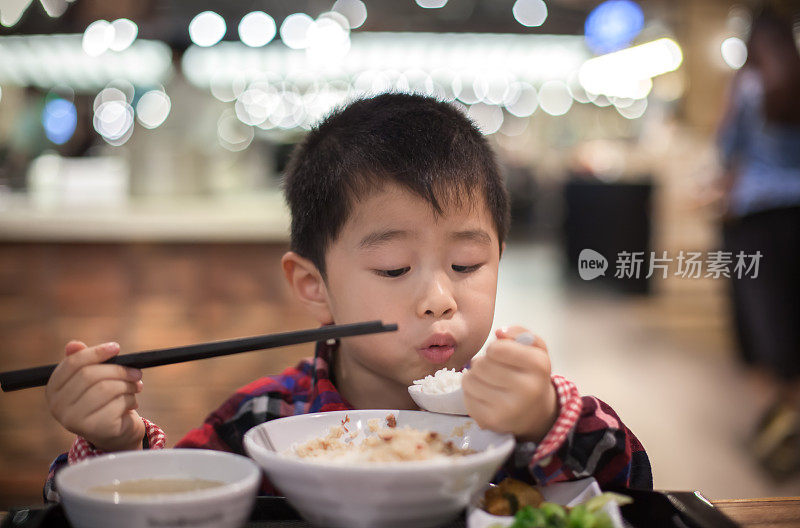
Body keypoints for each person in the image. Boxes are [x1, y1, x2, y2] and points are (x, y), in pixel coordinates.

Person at [43, 93, 651, 501]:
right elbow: (169, 504)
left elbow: (637, 490)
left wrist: (546, 418)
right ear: (315, 287)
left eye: (467, 264)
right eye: (392, 269)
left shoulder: (517, 410)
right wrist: (114, 443)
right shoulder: (266, 421)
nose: (440, 298)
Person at [716, 8, 800, 477]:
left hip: (756, 220)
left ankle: (778, 427)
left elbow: (727, 150)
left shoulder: (747, 86)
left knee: (760, 324)